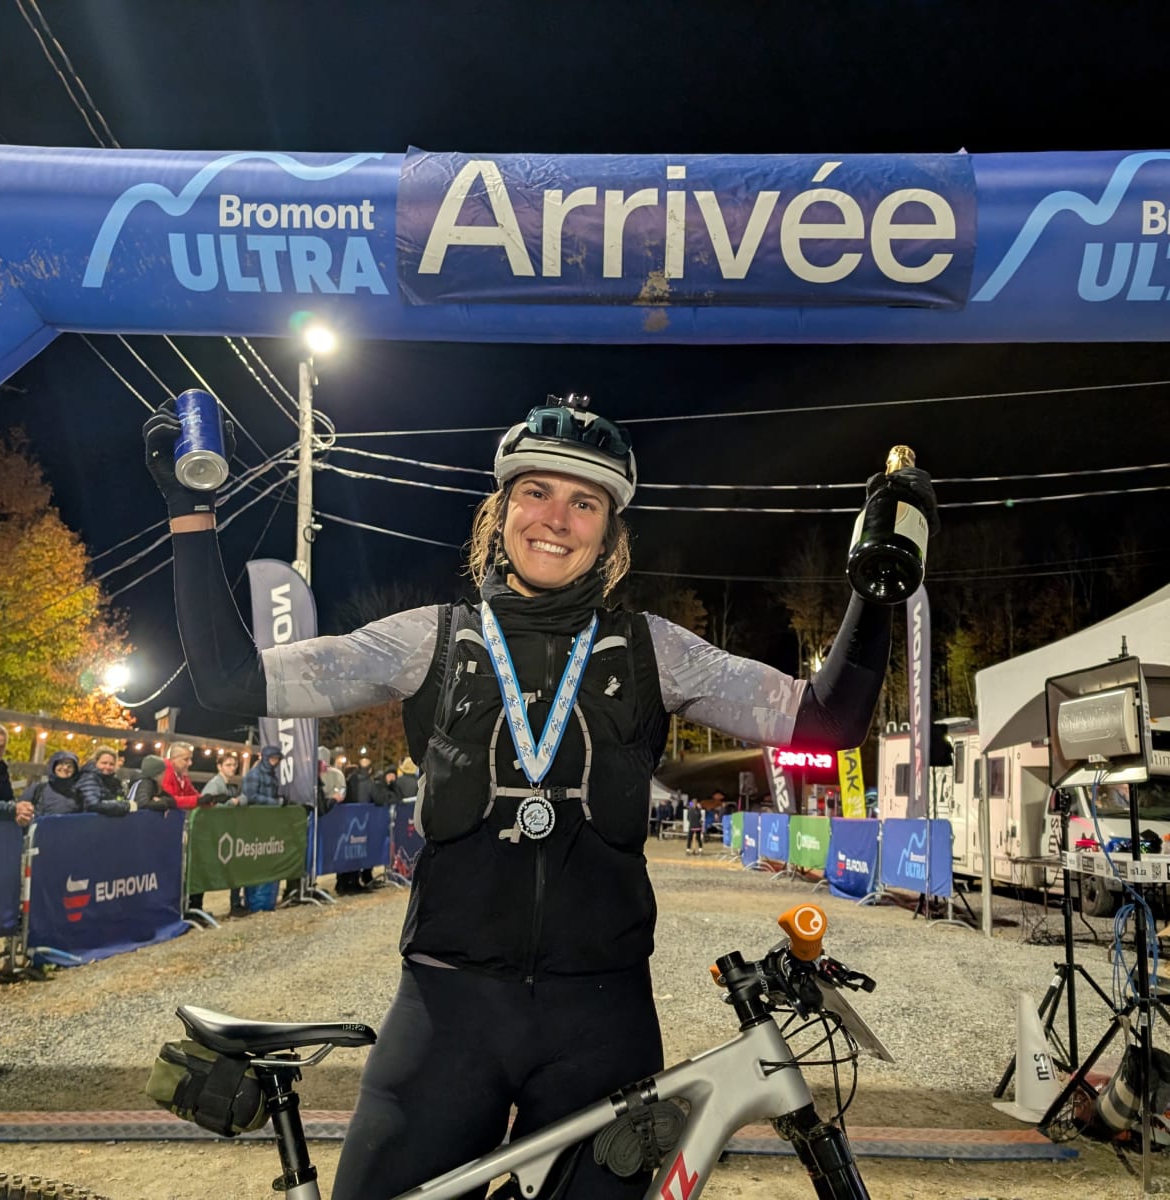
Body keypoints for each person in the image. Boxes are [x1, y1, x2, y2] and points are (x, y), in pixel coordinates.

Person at [145, 390, 937, 1200]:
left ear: (610, 530)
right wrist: (189, 513)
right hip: (447, 1014)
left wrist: (876, 585)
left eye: (584, 501)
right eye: (536, 491)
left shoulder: (655, 650)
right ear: (502, 507)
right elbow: (229, 679)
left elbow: (828, 719)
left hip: (603, 1021)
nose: (556, 518)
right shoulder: (432, 638)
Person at [201, 752, 249, 917]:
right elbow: (208, 806)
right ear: (219, 767)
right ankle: (197, 906)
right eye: (228, 765)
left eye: (234, 765)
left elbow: (241, 799)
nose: (232, 768)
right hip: (213, 832)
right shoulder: (215, 784)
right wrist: (231, 803)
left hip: (224, 831)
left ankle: (235, 903)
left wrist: (238, 801)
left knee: (234, 865)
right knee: (208, 868)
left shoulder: (229, 785)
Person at [74, 746, 133, 817]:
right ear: (95, 762)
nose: (107, 767)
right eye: (104, 763)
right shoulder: (88, 778)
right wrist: (123, 807)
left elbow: (121, 798)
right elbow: (93, 804)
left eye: (111, 764)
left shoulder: (114, 781)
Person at [20, 750, 80, 816]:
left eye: (70, 765)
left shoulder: (79, 795)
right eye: (61, 763)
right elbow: (18, 813)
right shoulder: (37, 790)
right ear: (53, 766)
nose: (65, 768)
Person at [161, 741, 200, 809]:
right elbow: (170, 800)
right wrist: (198, 800)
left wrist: (210, 800)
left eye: (190, 759)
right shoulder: (164, 774)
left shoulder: (182, 775)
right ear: (173, 759)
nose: (190, 763)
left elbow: (193, 794)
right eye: (186, 759)